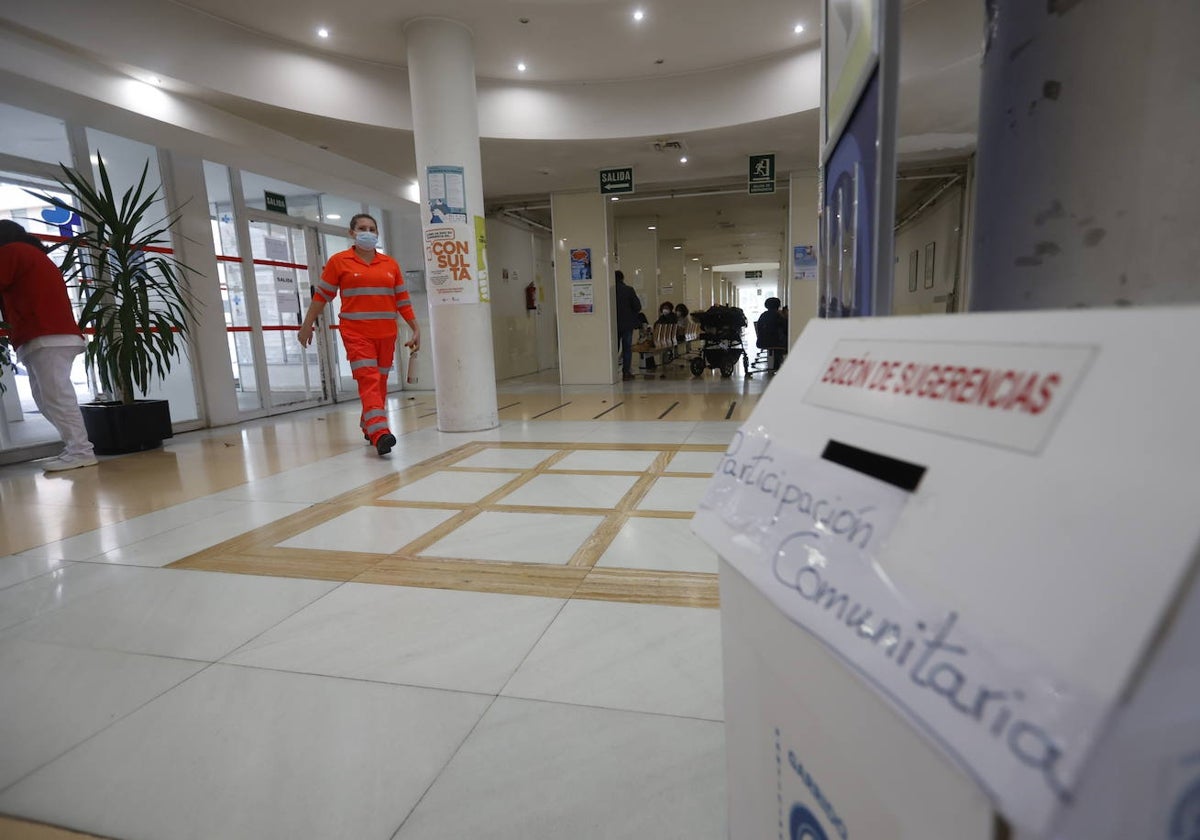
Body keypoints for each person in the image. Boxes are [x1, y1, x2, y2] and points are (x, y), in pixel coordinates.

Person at [297, 213, 419, 456]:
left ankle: (368, 424)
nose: (368, 232)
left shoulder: (390, 265)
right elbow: (322, 296)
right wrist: (307, 324)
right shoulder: (339, 262)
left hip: (385, 334)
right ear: (351, 233)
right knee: (369, 379)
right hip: (356, 333)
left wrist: (416, 328)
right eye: (362, 228)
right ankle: (380, 433)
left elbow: (402, 300)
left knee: (380, 382)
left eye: (372, 228)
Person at [0, 220, 97, 472]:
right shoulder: (32, 254)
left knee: (56, 397)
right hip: (49, 333)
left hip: (47, 334)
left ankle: (81, 450)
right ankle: (75, 447)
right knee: (47, 398)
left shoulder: (13, 252)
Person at [614, 270, 642, 381]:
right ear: (622, 278)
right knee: (627, 349)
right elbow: (637, 307)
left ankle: (611, 373)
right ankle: (626, 373)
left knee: (613, 349)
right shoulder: (628, 290)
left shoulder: (609, 291)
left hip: (613, 324)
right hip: (627, 325)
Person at [755, 296, 788, 373]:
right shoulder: (779, 316)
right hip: (777, 343)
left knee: (773, 342)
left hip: (762, 341)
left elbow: (759, 329)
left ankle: (773, 366)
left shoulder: (763, 315)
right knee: (786, 341)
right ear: (778, 306)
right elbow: (786, 329)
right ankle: (777, 365)